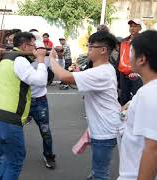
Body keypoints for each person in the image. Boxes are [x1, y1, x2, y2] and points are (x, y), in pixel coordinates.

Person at [50, 31, 123, 180]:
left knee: (101, 173)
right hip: (104, 126)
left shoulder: (101, 72)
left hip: (104, 130)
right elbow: (84, 85)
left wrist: (51, 59)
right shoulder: (101, 70)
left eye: (91, 47)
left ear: (103, 50)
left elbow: (64, 76)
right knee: (98, 171)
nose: (88, 50)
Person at [0, 32, 47, 179]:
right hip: (9, 121)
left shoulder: (7, 59)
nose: (35, 49)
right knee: (16, 161)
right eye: (33, 45)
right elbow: (40, 81)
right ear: (25, 46)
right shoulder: (20, 60)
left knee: (9, 158)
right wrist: (40, 60)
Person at [118, 30, 157, 180]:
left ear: (141, 59)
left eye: (131, 52)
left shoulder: (150, 93)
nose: (128, 57)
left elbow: (153, 149)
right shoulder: (147, 92)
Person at [118, 19, 143, 106]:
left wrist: (138, 73)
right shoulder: (124, 41)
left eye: (135, 26)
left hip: (136, 75)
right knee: (123, 99)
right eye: (131, 26)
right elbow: (120, 58)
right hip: (123, 74)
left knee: (136, 100)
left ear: (140, 28)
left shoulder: (143, 42)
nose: (132, 28)